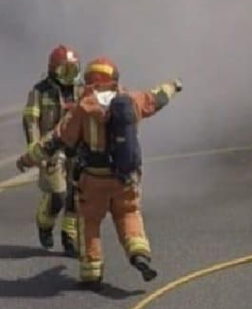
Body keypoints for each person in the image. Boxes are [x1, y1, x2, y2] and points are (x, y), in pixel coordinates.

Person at [54, 58, 181, 289]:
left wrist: (29, 157)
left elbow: (61, 137)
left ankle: (91, 272)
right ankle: (139, 252)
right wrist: (174, 85)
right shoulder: (131, 101)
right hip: (125, 178)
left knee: (89, 222)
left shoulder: (83, 108)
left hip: (93, 179)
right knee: (128, 214)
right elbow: (157, 98)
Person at [17, 45, 83, 255]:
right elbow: (30, 121)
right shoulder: (40, 91)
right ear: (54, 70)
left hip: (77, 149)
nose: (70, 76)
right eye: (65, 71)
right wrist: (35, 150)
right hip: (50, 150)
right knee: (59, 194)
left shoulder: (81, 90)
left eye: (73, 70)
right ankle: (45, 223)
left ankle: (69, 237)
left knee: (76, 194)